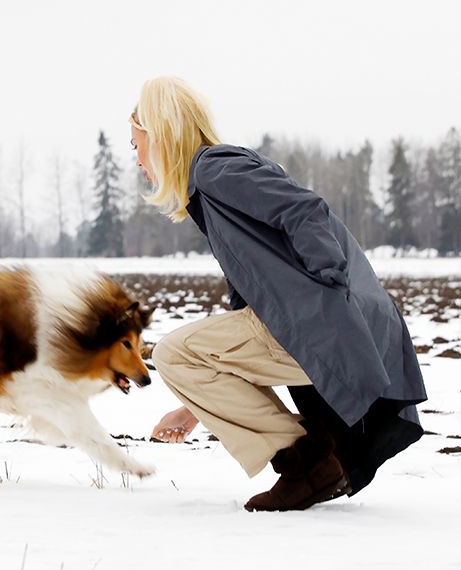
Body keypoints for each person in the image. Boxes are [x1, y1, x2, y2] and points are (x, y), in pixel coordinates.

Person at [131, 76, 426, 511]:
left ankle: (307, 460)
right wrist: (196, 406)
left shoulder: (215, 168)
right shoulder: (210, 187)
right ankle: (311, 461)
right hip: (326, 326)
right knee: (186, 355)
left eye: (136, 144)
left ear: (159, 134)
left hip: (330, 324)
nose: (136, 159)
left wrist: (327, 291)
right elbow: (245, 316)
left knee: (172, 352)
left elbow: (304, 210)